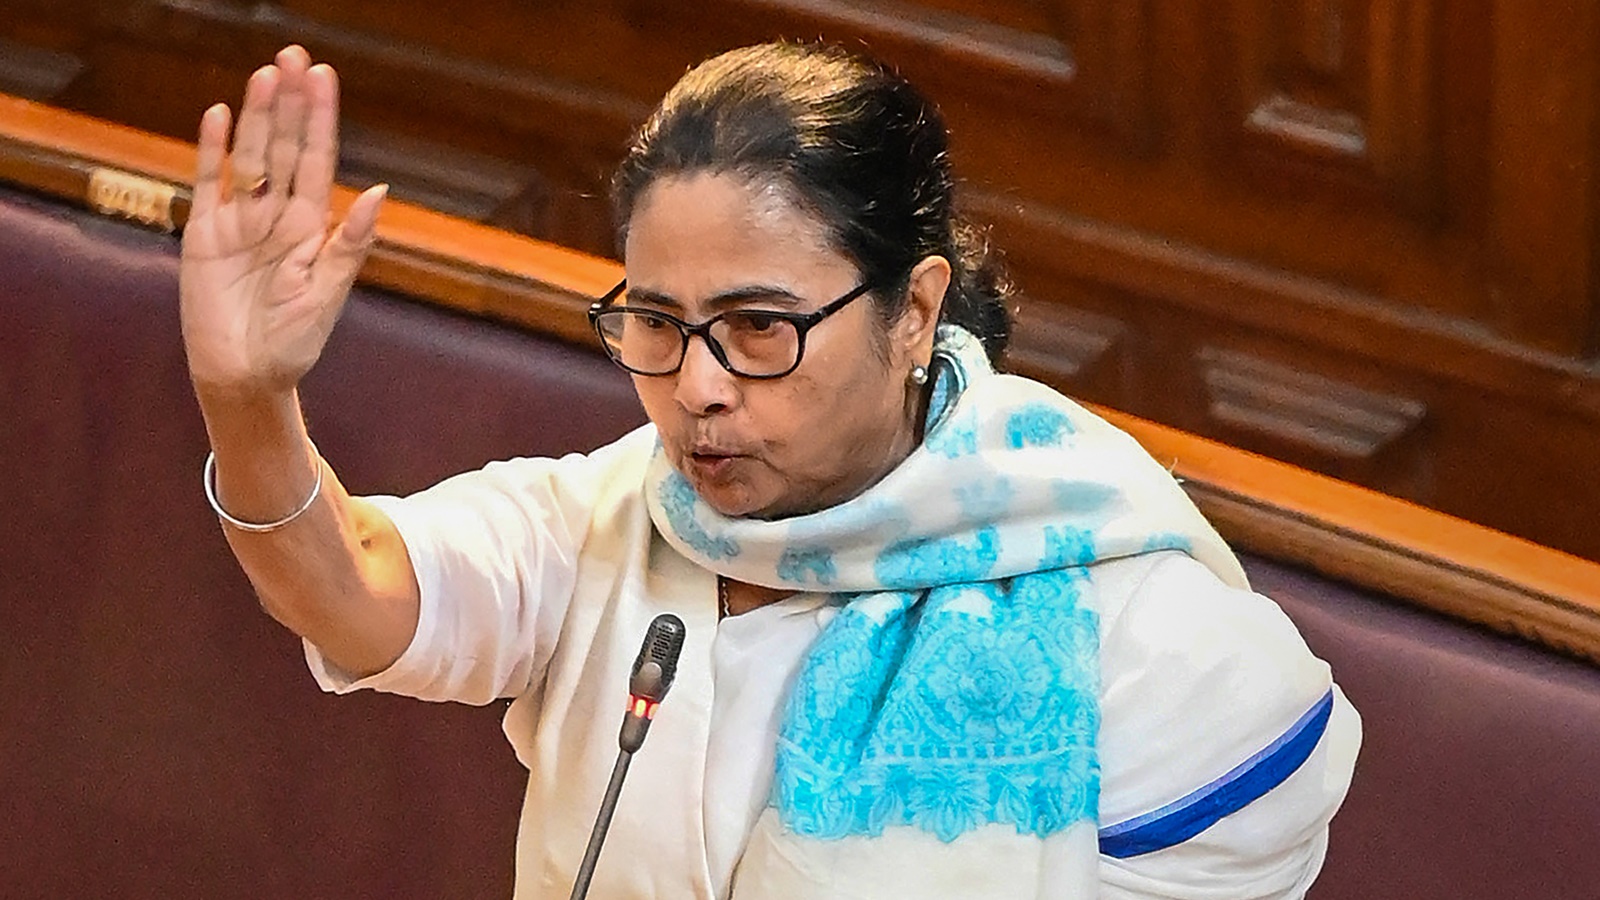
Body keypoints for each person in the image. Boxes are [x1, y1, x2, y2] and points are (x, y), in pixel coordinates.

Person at [180, 41, 1360, 900]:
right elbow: (350, 583)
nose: (696, 386)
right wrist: (246, 397)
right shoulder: (612, 519)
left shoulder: (1140, 638)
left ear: (914, 311)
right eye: (656, 323)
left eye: (758, 327)